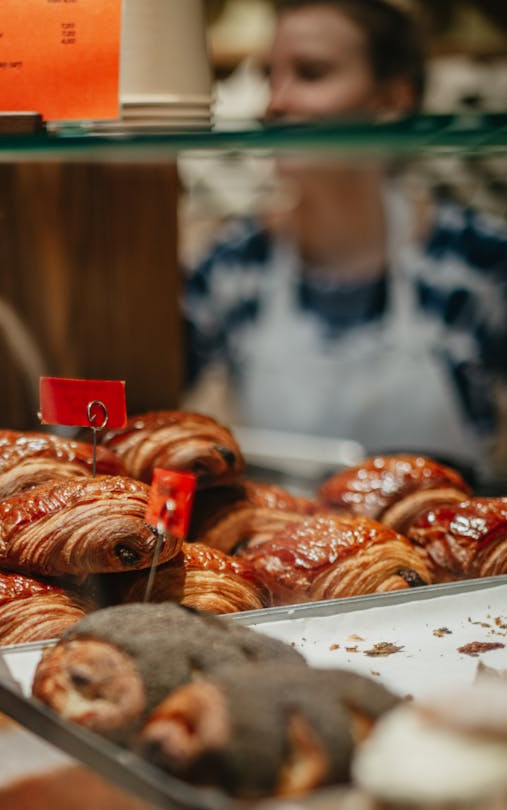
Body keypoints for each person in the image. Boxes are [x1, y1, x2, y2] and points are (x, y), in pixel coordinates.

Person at [184, 0, 507, 483]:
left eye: (311, 74)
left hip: (444, 548)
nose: (275, 103)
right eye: (271, 76)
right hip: (284, 550)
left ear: (391, 101)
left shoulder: (475, 261)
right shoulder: (233, 265)